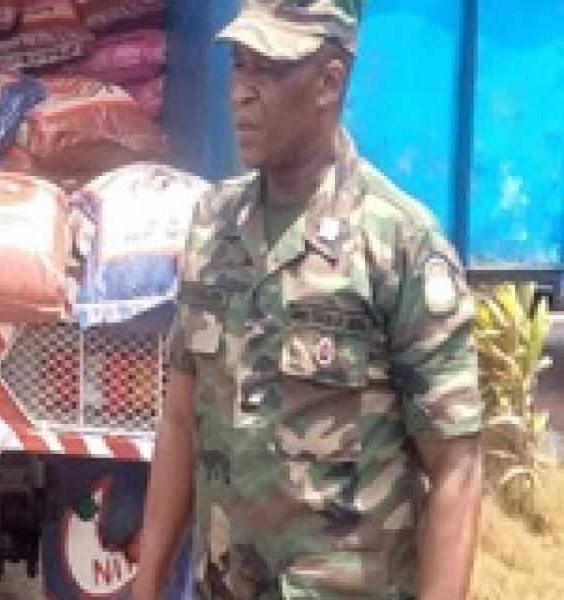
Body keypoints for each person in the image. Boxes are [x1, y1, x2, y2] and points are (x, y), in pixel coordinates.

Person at [132, 1, 483, 598]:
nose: (240, 92)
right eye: (238, 65)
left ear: (329, 82)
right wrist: (146, 586)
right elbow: (180, 418)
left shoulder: (398, 244)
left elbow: (457, 467)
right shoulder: (213, 225)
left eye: (266, 69)